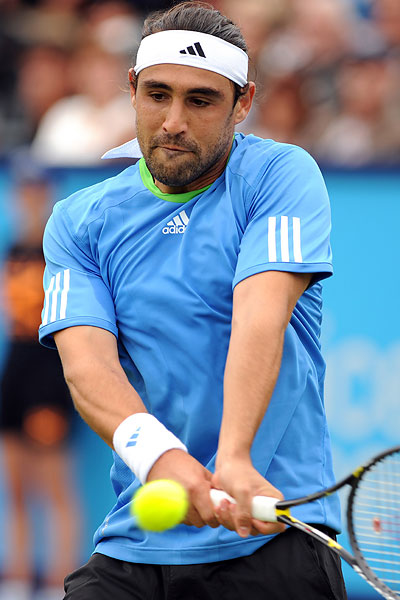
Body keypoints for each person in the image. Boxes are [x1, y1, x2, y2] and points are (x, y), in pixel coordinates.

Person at [38, 2, 347, 599]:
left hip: (271, 541)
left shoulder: (280, 175)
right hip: (135, 544)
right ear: (132, 88)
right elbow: (88, 368)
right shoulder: (78, 221)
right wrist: (161, 460)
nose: (174, 122)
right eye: (158, 95)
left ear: (243, 103)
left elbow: (259, 317)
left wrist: (234, 457)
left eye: (201, 101)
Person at [0, 154, 80, 600]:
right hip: (15, 368)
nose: (28, 200)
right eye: (22, 191)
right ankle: (16, 579)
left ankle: (57, 582)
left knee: (53, 484)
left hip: (48, 371)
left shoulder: (61, 250)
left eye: (36, 191)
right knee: (14, 483)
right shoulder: (13, 249)